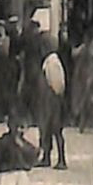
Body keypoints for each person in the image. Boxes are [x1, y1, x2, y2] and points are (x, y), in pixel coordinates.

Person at [25, 22, 68, 169]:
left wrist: (55, 98)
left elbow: (58, 84)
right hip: (46, 102)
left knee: (56, 130)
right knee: (45, 130)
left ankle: (61, 159)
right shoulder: (47, 61)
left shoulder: (52, 62)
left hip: (52, 102)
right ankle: (47, 157)